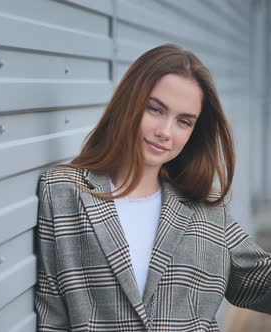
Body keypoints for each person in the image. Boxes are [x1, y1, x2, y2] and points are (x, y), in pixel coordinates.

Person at [34, 44, 271, 332]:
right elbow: (52, 317)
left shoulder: (206, 210)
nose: (166, 132)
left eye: (184, 122)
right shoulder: (63, 192)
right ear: (129, 103)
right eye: (155, 109)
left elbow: (262, 283)